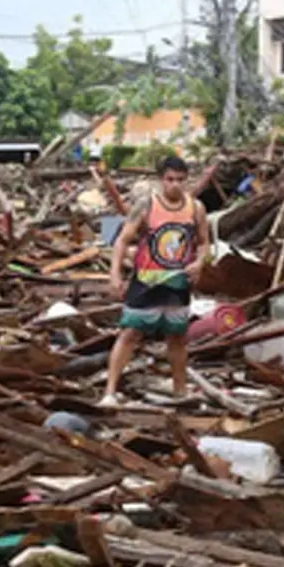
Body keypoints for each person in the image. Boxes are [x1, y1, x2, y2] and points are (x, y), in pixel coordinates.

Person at [100, 156, 209, 407]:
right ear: (161, 180)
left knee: (177, 337)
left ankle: (180, 390)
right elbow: (122, 240)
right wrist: (115, 274)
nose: (175, 185)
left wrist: (200, 263)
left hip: (178, 282)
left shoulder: (196, 208)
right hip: (146, 280)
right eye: (170, 179)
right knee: (130, 332)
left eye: (181, 180)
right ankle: (110, 391)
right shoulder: (147, 205)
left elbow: (203, 242)